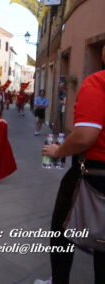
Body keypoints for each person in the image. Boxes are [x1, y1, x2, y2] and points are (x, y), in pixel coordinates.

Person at [38, 47, 105, 284]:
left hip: (92, 174)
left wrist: (58, 150)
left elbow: (85, 136)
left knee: (61, 232)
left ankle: (59, 281)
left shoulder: (97, 82)